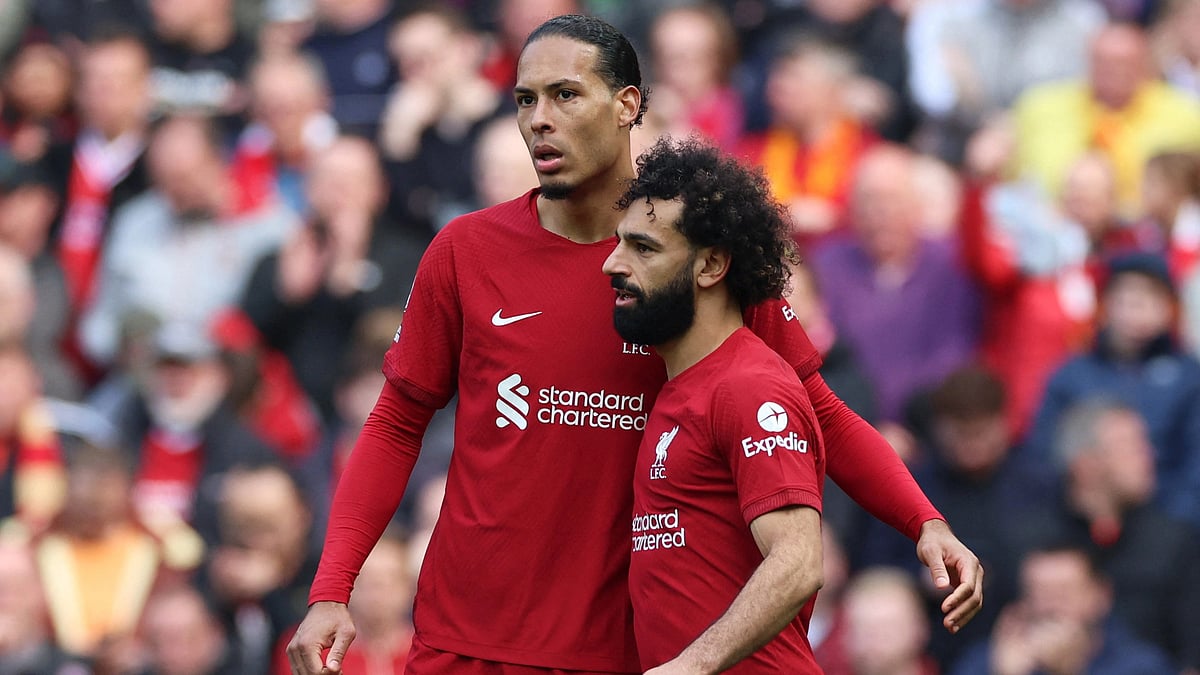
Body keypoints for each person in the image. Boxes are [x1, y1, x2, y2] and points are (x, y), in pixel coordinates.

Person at [289, 14, 982, 675]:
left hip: (628, 652)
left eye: (566, 94)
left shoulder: (696, 254)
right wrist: (331, 588)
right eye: (525, 99)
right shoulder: (464, 251)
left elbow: (818, 408)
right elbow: (396, 420)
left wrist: (922, 519)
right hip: (465, 641)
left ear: (626, 105)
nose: (540, 119)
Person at [603, 137, 824, 672]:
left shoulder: (748, 386)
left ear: (711, 266)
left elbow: (799, 562)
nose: (612, 263)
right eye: (619, 242)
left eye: (643, 248)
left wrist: (693, 665)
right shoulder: (683, 386)